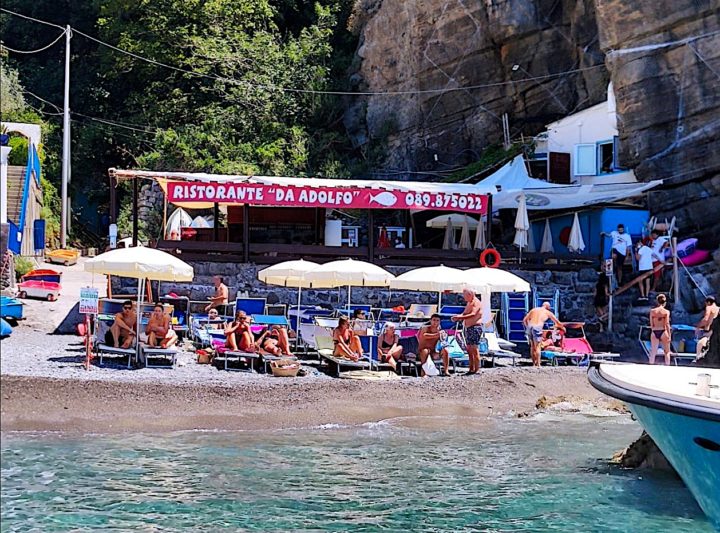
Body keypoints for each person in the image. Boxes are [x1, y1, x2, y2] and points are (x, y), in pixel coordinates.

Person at [451, 289, 483, 375]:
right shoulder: (469, 303)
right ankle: (471, 368)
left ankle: (477, 369)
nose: (464, 297)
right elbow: (465, 313)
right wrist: (457, 317)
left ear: (470, 295)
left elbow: (473, 314)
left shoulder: (476, 302)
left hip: (475, 327)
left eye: (465, 295)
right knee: (469, 349)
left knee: (474, 348)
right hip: (468, 327)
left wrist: (460, 318)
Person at [523, 302, 564, 367]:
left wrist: (527, 327)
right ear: (548, 307)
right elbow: (557, 322)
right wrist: (563, 328)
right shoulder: (547, 312)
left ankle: (534, 364)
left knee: (532, 346)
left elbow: (524, 320)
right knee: (538, 346)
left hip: (530, 326)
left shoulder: (534, 310)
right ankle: (538, 364)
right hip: (537, 326)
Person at [649, 294, 672, 365]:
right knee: (667, 352)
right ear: (665, 302)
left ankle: (650, 365)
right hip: (663, 331)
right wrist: (669, 335)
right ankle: (667, 366)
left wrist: (653, 330)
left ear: (657, 302)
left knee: (653, 352)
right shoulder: (666, 312)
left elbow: (651, 323)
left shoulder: (652, 311)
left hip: (655, 330)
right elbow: (667, 323)